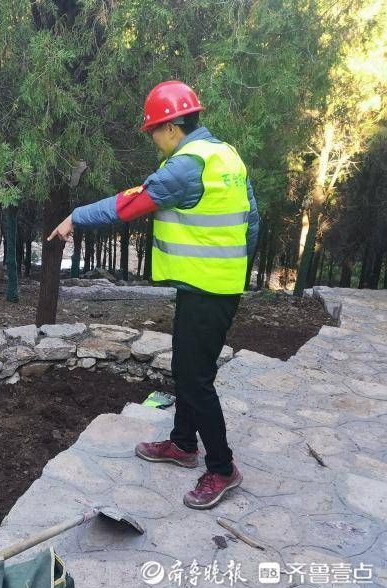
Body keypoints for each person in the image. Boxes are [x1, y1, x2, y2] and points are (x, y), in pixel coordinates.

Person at [48, 80, 259, 510]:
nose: (152, 140)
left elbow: (130, 205)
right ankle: (184, 444)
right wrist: (233, 268)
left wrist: (75, 217)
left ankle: (222, 468)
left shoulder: (184, 166)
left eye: (153, 131)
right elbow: (251, 221)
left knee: (196, 379)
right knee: (187, 368)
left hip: (209, 289)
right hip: (213, 284)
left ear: (171, 127)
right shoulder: (224, 155)